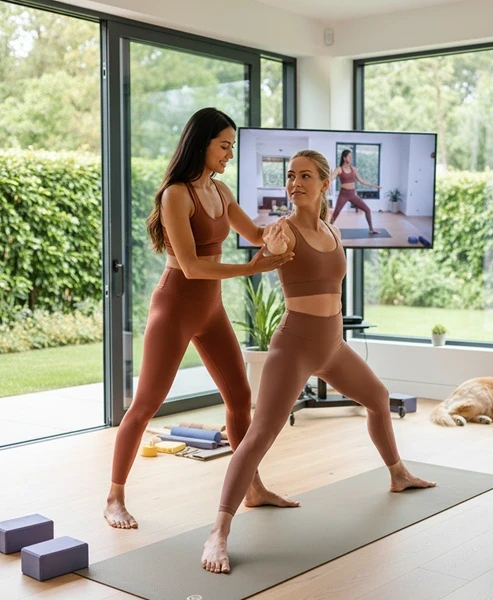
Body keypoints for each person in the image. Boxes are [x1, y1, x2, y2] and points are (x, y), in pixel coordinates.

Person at [201, 149, 436, 574]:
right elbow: (261, 259)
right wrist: (263, 250)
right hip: (294, 346)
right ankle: (218, 531)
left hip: (332, 345)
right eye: (290, 176)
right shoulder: (283, 230)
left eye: (305, 176)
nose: (295, 183)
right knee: (259, 436)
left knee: (379, 398)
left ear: (325, 183)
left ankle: (398, 473)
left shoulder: (331, 229)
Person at [103, 108, 298, 530]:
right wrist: (250, 270)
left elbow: (255, 235)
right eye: (224, 145)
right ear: (202, 144)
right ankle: (114, 497)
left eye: (232, 146)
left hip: (211, 310)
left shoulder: (221, 191)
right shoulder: (176, 194)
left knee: (239, 398)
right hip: (174, 307)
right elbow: (190, 266)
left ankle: (252, 486)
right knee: (144, 407)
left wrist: (290, 222)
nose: (229, 153)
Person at [329, 149, 381, 234]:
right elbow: (332, 177)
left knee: (367, 210)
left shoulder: (353, 169)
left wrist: (374, 186)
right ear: (344, 158)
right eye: (349, 157)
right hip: (343, 195)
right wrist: (324, 181)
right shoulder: (339, 169)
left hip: (352, 194)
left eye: (351, 157)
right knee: (336, 213)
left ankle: (371, 229)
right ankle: (327, 230)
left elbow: (361, 180)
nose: (351, 158)